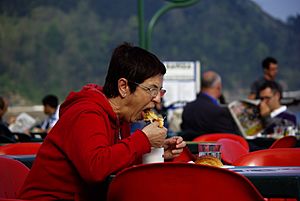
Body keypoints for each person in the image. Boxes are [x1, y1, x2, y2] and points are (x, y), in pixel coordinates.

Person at [18, 42, 186, 201]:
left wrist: (154, 151)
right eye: (151, 89)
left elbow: (115, 167)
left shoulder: (121, 119)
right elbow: (95, 168)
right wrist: (142, 140)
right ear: (124, 87)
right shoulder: (86, 113)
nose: (157, 99)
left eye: (160, 91)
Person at [180, 71, 240, 141]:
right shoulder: (219, 112)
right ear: (218, 87)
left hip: (190, 149)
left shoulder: (187, 108)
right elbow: (233, 137)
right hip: (213, 150)